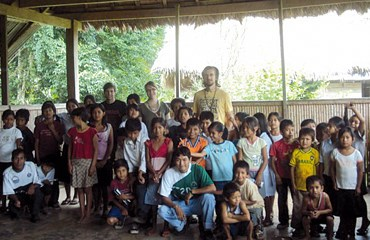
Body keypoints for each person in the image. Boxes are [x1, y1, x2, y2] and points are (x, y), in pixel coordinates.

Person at [157, 146, 216, 240]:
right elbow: (163, 196)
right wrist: (175, 207)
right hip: (181, 204)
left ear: (190, 159)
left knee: (209, 197)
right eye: (178, 160)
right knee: (162, 210)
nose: (181, 164)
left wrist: (193, 192)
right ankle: (181, 225)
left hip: (197, 203)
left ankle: (207, 229)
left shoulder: (198, 169)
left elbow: (212, 188)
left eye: (184, 160)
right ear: (174, 161)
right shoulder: (169, 173)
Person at [192, 121, 237, 230]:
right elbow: (201, 155)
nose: (211, 136)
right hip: (217, 180)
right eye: (210, 133)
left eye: (213, 133)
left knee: (230, 202)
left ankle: (230, 225)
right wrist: (188, 154)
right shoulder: (210, 147)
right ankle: (219, 224)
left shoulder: (229, 145)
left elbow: (235, 161)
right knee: (218, 202)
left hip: (230, 179)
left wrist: (235, 177)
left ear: (221, 133)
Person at [330, 127, 363, 239]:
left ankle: (351, 233)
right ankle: (343, 232)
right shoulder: (335, 153)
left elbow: (360, 171)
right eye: (342, 137)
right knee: (343, 212)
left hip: (352, 188)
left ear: (352, 139)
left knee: (352, 213)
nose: (345, 140)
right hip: (340, 188)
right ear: (339, 139)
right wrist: (334, 182)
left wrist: (358, 187)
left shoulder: (356, 154)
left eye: (347, 137)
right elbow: (332, 169)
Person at [67, 107, 98, 223]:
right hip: (76, 162)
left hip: (88, 162)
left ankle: (88, 213)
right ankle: (82, 212)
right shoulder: (72, 131)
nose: (72, 120)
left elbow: (96, 150)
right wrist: (69, 163)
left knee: (88, 189)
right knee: (79, 189)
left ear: (79, 118)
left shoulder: (92, 131)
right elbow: (70, 148)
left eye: (73, 118)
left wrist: (93, 165)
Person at [144, 117, 173, 235]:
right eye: (155, 128)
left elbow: (169, 160)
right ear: (151, 129)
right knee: (153, 202)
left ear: (164, 129)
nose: (157, 130)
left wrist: (160, 173)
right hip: (152, 175)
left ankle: (166, 226)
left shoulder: (168, 142)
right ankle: (154, 226)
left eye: (160, 127)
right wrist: (154, 173)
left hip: (165, 175)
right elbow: (147, 161)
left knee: (166, 199)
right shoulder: (148, 143)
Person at [289, 128, 320, 238]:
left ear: (312, 140)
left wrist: (318, 185)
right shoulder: (296, 152)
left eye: (307, 139)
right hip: (299, 187)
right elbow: (292, 169)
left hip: (312, 189)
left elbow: (318, 168)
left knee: (313, 208)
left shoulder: (315, 153)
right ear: (298, 140)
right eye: (302, 139)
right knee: (298, 209)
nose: (304, 141)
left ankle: (314, 229)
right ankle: (298, 228)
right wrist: (293, 184)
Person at [122, 118, 150, 234]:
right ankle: (134, 218)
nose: (132, 136)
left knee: (141, 191)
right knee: (130, 190)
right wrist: (129, 175)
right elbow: (127, 159)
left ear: (139, 131)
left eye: (135, 133)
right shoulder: (126, 142)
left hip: (145, 170)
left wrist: (140, 172)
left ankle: (143, 218)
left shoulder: (145, 140)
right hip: (133, 171)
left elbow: (144, 158)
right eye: (130, 133)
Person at [34, 101, 63, 209]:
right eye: (45, 111)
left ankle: (54, 201)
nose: (48, 112)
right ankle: (42, 201)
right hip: (42, 156)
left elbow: (60, 141)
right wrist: (37, 158)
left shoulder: (58, 125)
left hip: (54, 156)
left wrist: (52, 129)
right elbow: (36, 143)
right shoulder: (39, 126)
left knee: (54, 180)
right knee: (41, 179)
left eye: (50, 110)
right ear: (42, 113)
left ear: (54, 112)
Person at [270, 119, 298, 229]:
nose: (290, 132)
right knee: (282, 200)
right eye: (287, 130)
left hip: (294, 177)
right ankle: (283, 222)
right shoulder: (276, 145)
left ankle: (297, 223)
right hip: (281, 176)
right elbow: (272, 161)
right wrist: (276, 175)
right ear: (281, 132)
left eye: (292, 130)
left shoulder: (297, 144)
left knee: (296, 200)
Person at [3, 149, 42, 222]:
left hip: (29, 191)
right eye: (16, 158)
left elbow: (37, 180)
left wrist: (32, 186)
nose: (19, 161)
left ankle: (35, 215)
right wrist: (16, 200)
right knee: (15, 214)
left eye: (21, 158)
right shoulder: (7, 173)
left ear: (25, 159)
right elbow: (9, 192)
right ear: (12, 160)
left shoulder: (31, 165)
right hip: (18, 194)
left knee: (38, 193)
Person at [90, 103, 114, 216]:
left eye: (99, 112)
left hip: (106, 160)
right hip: (92, 161)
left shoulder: (108, 127)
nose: (96, 114)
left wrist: (105, 160)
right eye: (94, 112)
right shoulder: (88, 127)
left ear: (103, 113)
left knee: (105, 186)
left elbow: (110, 143)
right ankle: (96, 205)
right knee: (95, 185)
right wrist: (93, 161)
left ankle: (105, 207)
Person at [253, 112, 276, 227]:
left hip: (265, 170)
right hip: (263, 169)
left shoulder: (263, 138)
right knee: (264, 194)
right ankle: (265, 216)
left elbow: (264, 157)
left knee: (266, 195)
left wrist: (260, 173)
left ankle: (268, 217)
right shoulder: (263, 136)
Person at [233, 161, 265, 239]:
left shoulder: (250, 185)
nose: (240, 175)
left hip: (254, 205)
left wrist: (241, 202)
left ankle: (258, 228)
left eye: (243, 173)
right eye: (237, 173)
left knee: (254, 217)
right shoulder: (233, 184)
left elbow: (253, 201)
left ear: (247, 175)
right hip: (241, 206)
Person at [0, 109, 23, 211]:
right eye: (7, 119)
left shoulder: (16, 131)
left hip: (11, 161)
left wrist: (19, 148)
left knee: (10, 182)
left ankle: (13, 204)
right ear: (3, 120)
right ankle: (3, 205)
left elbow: (18, 142)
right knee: (2, 183)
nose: (9, 122)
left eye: (11, 119)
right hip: (1, 161)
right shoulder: (0, 132)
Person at [58, 99, 79, 206]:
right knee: (66, 172)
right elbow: (54, 116)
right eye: (68, 106)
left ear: (77, 106)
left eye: (73, 106)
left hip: (78, 147)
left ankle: (76, 196)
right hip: (67, 146)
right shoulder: (64, 117)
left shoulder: (80, 117)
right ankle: (67, 196)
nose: (71, 108)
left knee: (76, 172)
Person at [237, 116, 268, 188]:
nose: (245, 130)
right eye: (243, 127)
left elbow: (265, 159)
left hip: (259, 171)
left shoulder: (261, 142)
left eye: (247, 127)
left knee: (259, 195)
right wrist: (245, 173)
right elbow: (240, 160)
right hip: (246, 173)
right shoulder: (241, 142)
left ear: (255, 128)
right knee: (248, 192)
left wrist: (260, 174)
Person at [301, 175, 333, 240]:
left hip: (323, 216)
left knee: (330, 219)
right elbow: (302, 211)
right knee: (305, 219)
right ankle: (307, 235)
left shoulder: (325, 196)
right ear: (307, 189)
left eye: (317, 187)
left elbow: (330, 209)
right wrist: (309, 213)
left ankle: (329, 236)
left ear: (322, 188)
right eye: (311, 188)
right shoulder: (306, 198)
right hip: (312, 217)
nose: (314, 190)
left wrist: (320, 212)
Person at [106, 160, 135, 230]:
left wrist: (126, 197)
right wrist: (122, 208)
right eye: (118, 171)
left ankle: (127, 218)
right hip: (119, 206)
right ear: (115, 172)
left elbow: (137, 196)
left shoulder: (131, 181)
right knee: (110, 221)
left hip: (132, 206)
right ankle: (123, 219)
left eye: (123, 170)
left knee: (136, 211)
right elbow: (112, 199)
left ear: (127, 170)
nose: (121, 174)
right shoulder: (113, 183)